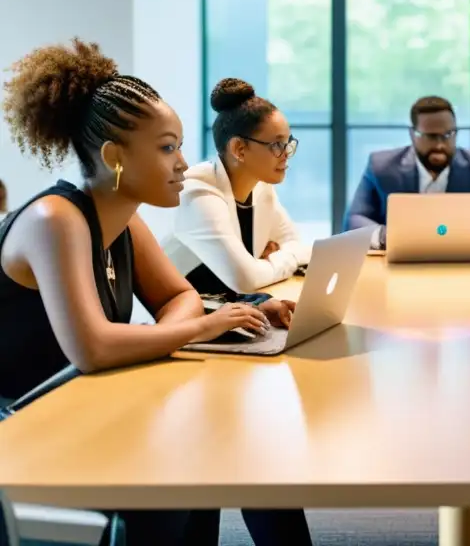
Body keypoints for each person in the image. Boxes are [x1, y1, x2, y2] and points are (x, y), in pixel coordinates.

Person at [0, 40, 309, 545]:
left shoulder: (124, 220)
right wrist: (199, 329)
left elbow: (177, 297)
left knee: (220, 441)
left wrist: (172, 332)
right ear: (115, 157)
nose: (184, 163)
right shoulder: (53, 220)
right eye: (167, 147)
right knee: (185, 458)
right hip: (23, 420)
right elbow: (93, 347)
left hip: (81, 401)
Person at [163, 78, 311, 312]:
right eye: (276, 144)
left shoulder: (261, 188)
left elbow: (298, 247)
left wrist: (266, 263)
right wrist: (276, 261)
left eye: (288, 143)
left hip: (236, 311)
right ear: (239, 149)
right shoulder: (198, 192)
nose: (286, 154)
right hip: (187, 322)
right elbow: (245, 279)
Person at [343, 95, 470, 250]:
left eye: (448, 135)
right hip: (400, 268)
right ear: (412, 134)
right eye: (431, 136)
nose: (440, 145)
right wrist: (384, 237)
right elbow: (354, 219)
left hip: (465, 266)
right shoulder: (382, 167)